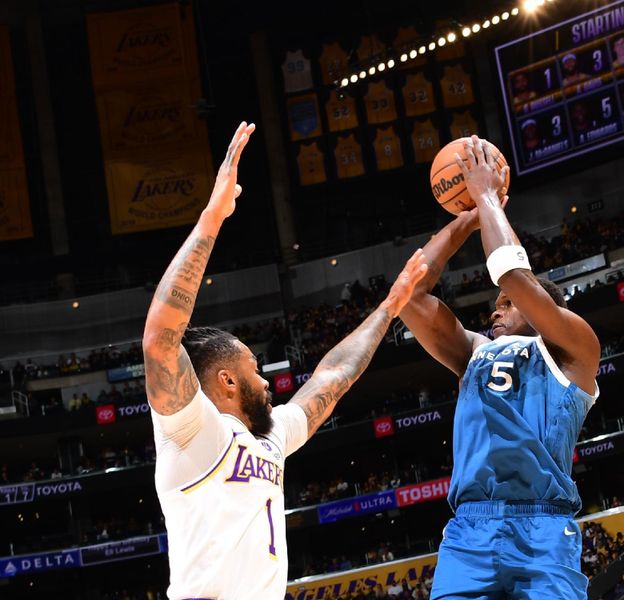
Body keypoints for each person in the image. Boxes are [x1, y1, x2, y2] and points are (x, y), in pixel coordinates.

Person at [142, 122, 427, 600]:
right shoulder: (191, 431)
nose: (269, 381)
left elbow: (333, 377)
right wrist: (211, 220)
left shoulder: (270, 438)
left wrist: (390, 308)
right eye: (255, 368)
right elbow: (159, 341)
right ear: (227, 379)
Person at [400, 135, 600, 599]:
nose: (496, 310)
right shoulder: (474, 352)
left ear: (547, 309)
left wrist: (488, 196)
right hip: (469, 531)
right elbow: (409, 296)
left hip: (543, 528)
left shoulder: (575, 348)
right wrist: (466, 221)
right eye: (496, 305)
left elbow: (513, 275)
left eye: (508, 305)